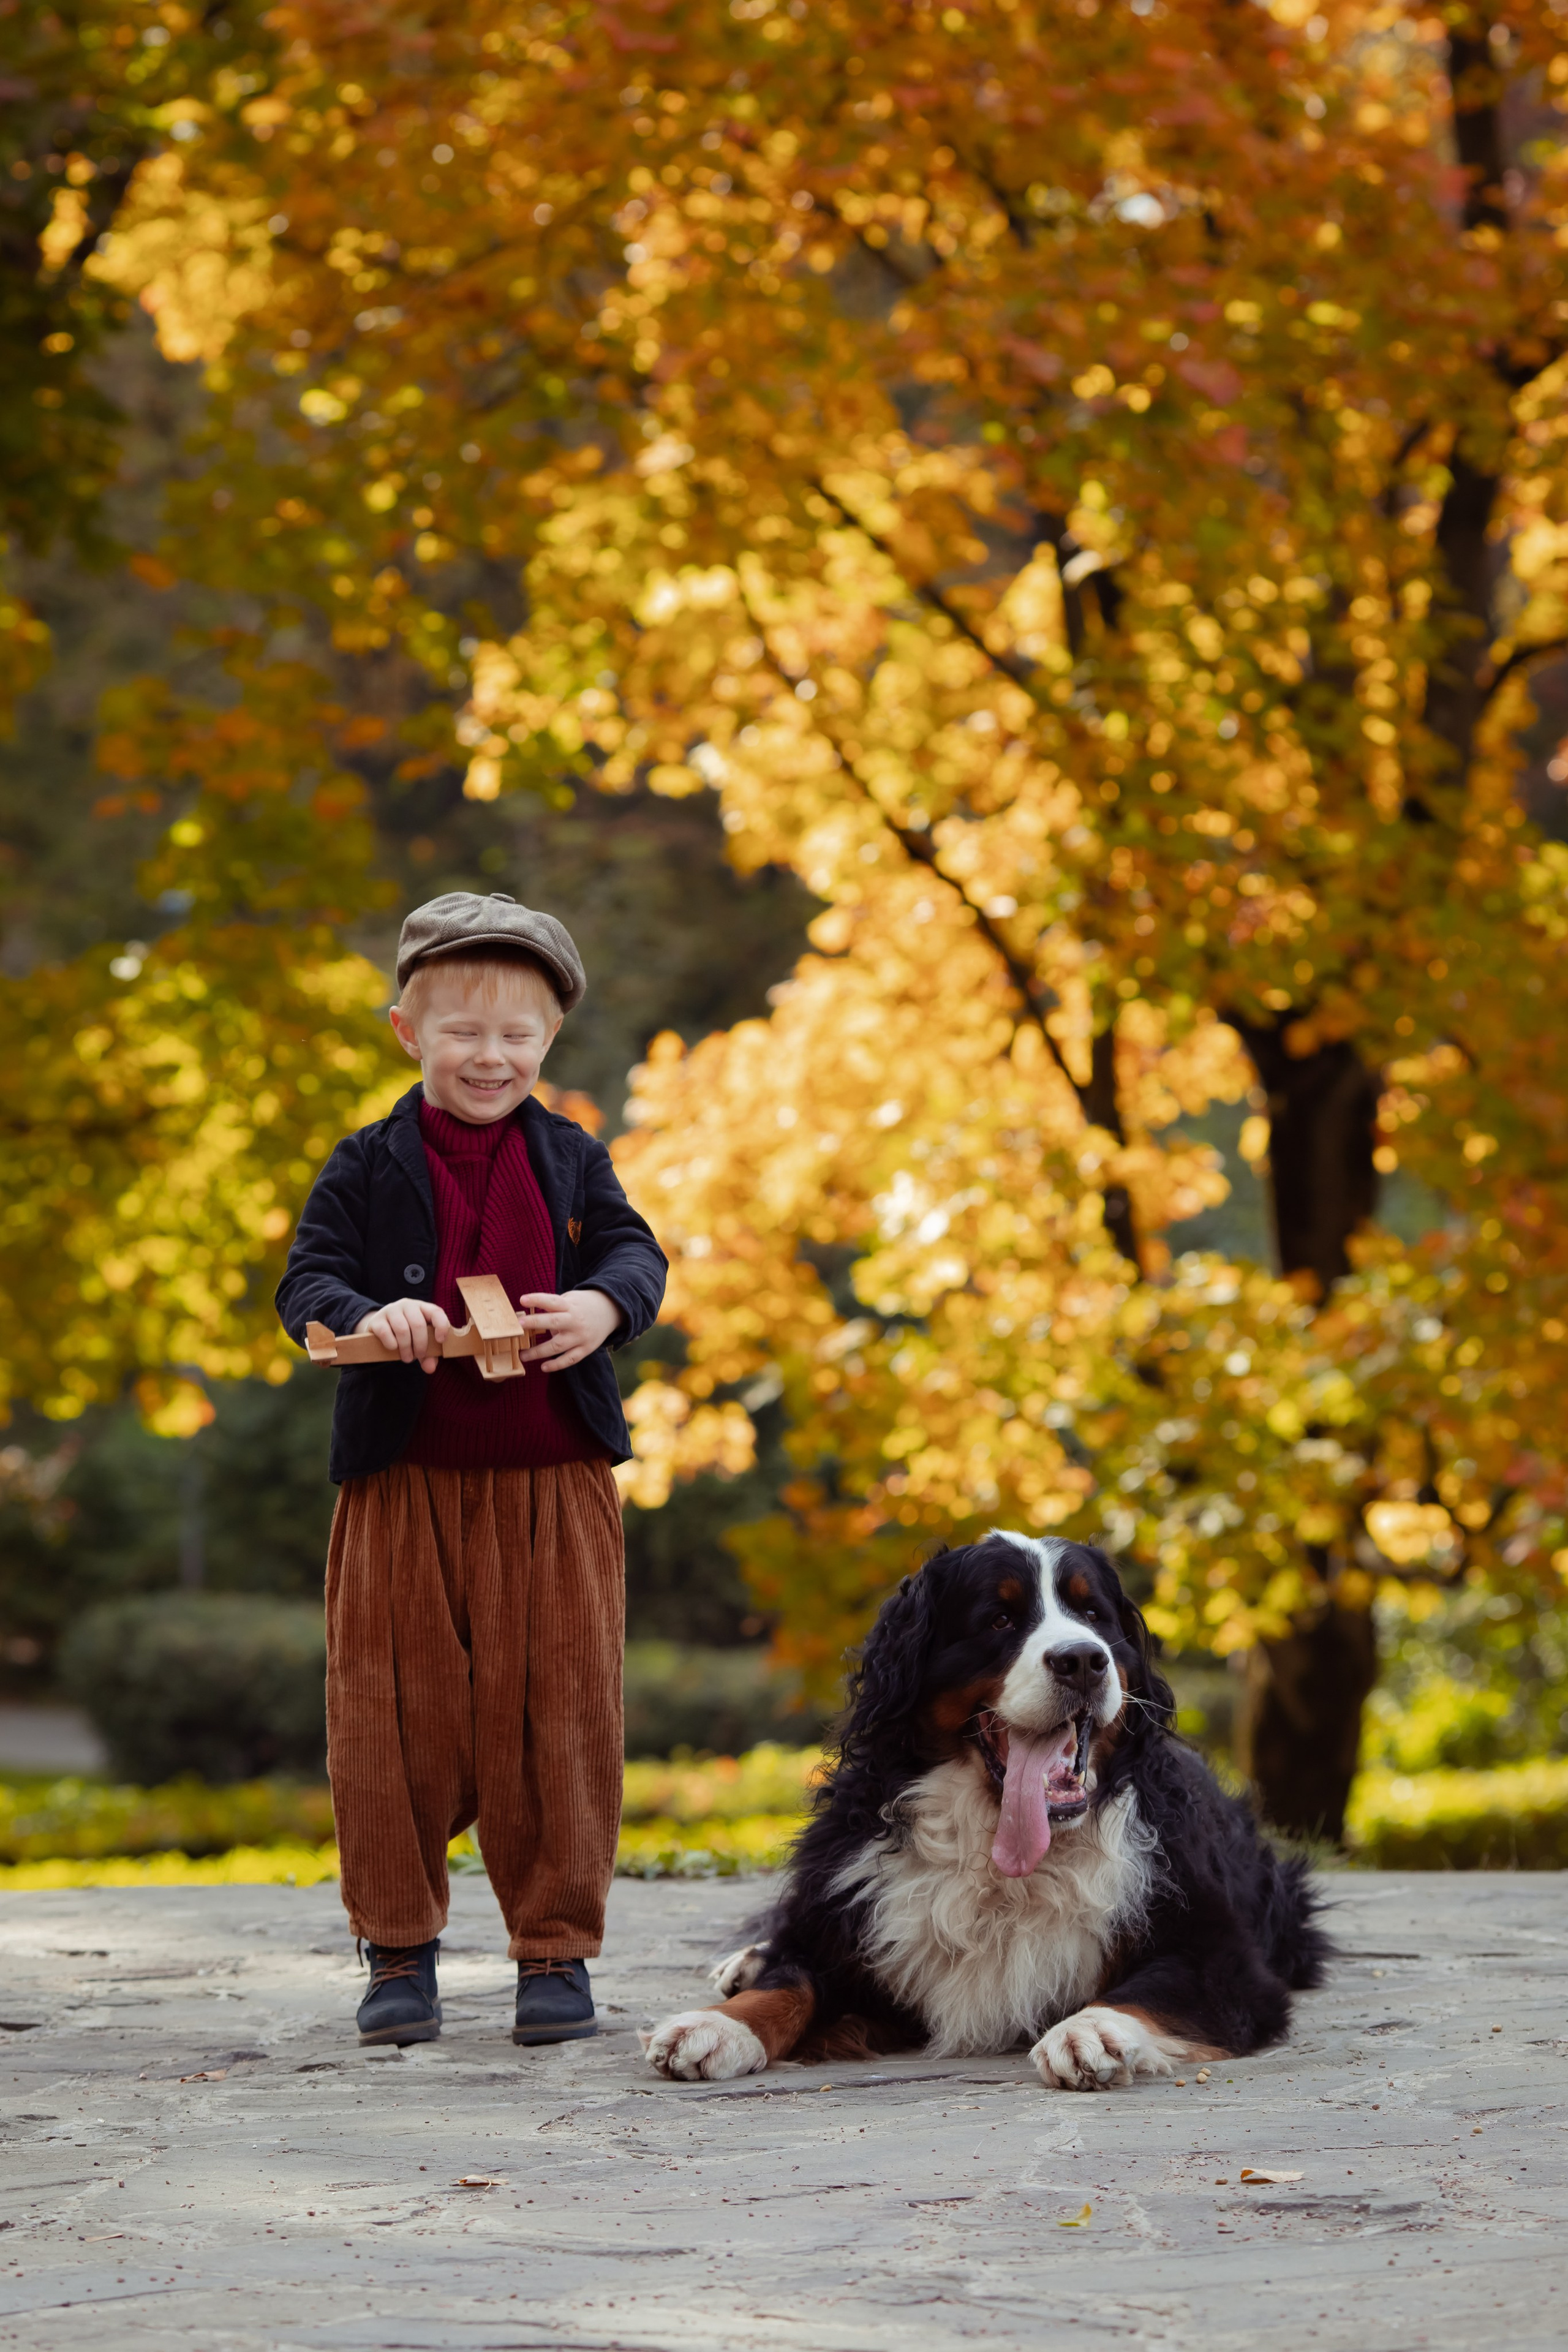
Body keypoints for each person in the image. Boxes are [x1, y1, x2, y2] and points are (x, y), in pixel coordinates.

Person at [276, 891, 666, 2048]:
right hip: (405, 1487)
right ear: (408, 1031)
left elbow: (638, 1255)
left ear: (548, 1043)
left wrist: (603, 1304)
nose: (490, 1057)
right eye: (463, 1032)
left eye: (518, 1036)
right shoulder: (366, 1163)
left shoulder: (572, 1156)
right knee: (393, 1714)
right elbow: (307, 1283)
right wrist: (370, 1313)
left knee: (561, 1709)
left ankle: (556, 1954)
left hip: (554, 1483)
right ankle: (398, 1952)